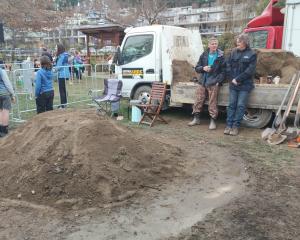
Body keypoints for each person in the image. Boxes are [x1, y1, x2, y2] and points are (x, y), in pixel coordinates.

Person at [188, 37, 225, 129]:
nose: (214, 45)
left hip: (213, 81)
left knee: (212, 102)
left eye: (216, 44)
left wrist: (218, 81)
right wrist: (203, 68)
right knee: (198, 99)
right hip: (203, 80)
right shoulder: (204, 54)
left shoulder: (221, 56)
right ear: (209, 45)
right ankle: (196, 119)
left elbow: (224, 71)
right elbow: (197, 67)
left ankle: (212, 121)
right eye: (212, 44)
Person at [224, 33, 257, 136]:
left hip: (245, 85)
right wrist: (232, 78)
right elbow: (228, 65)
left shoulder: (252, 54)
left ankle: (235, 126)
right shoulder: (233, 52)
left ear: (245, 42)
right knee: (231, 105)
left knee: (240, 106)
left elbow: (250, 71)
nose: (237, 42)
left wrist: (238, 79)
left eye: (239, 41)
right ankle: (228, 125)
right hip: (233, 84)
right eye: (237, 41)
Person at [0, 65, 15, 137]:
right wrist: (12, 94)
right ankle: (4, 130)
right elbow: (7, 84)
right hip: (4, 93)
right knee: (5, 111)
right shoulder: (2, 71)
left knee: (0, 111)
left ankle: (0, 128)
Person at [55, 43, 70, 108]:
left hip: (62, 75)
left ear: (59, 49)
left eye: (56, 48)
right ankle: (64, 103)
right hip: (65, 74)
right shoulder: (65, 55)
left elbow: (59, 67)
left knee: (62, 90)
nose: (55, 49)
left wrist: (54, 69)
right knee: (64, 90)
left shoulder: (61, 56)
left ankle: (63, 105)